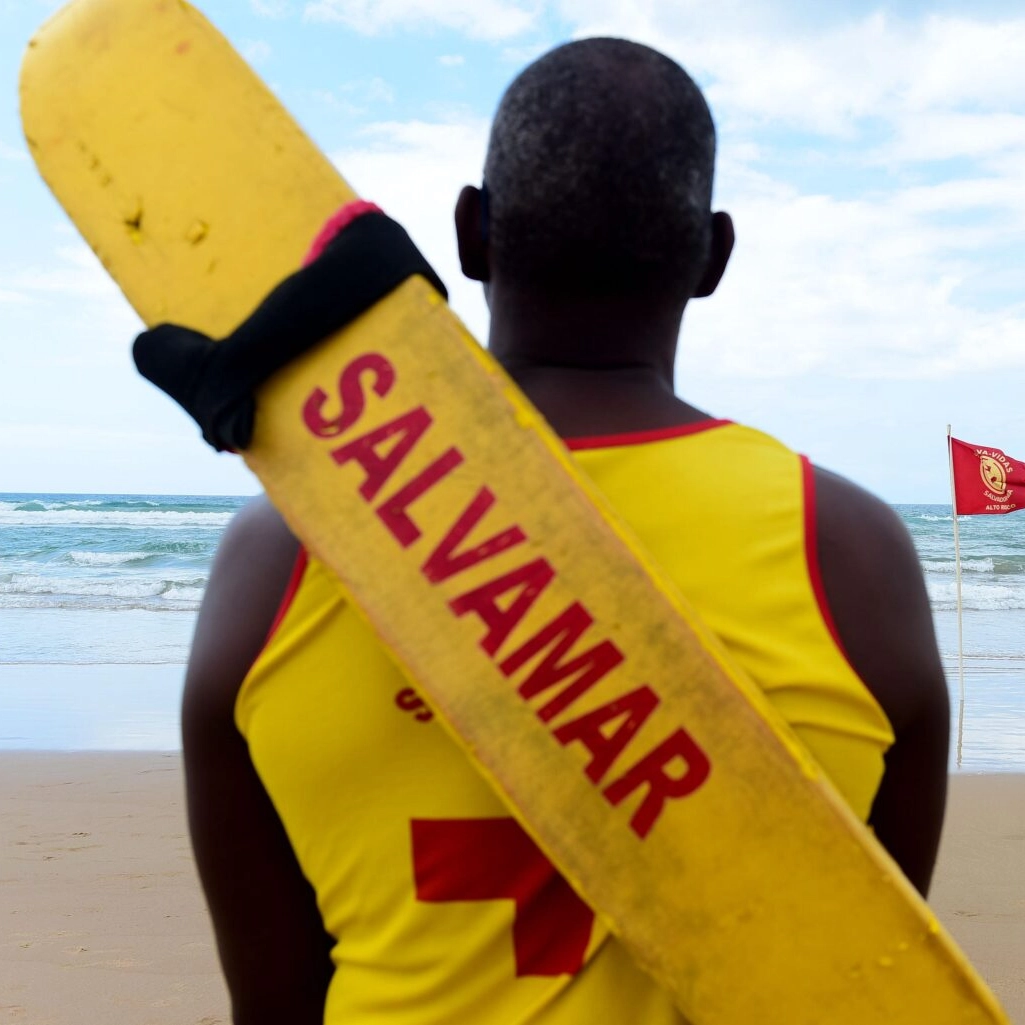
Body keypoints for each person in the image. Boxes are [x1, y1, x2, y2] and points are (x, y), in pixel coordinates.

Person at [182, 38, 949, 1025]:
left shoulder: (278, 558)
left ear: (470, 234)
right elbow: (861, 980)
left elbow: (274, 1004)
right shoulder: (850, 556)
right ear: (711, 256)